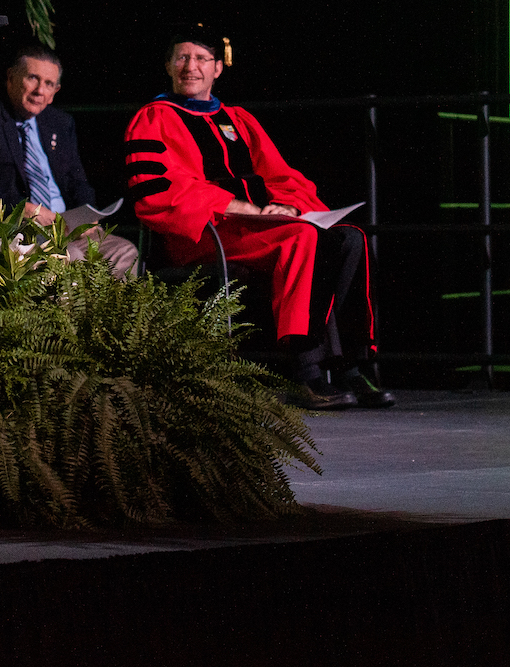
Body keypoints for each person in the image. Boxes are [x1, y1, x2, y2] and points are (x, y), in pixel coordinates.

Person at [123, 26, 393, 409]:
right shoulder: (154, 118)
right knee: (303, 240)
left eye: (201, 59)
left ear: (218, 68)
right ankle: (305, 373)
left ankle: (352, 368)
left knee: (349, 237)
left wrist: (290, 208)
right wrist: (239, 207)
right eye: (182, 57)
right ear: (168, 65)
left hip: (259, 229)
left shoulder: (238, 119)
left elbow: (283, 176)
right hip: (203, 233)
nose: (191, 67)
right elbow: (156, 192)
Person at [0, 46, 140, 278]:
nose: (40, 90)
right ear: (11, 78)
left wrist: (88, 217)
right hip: (25, 230)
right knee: (71, 256)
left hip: (67, 227)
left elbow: (78, 182)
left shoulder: (60, 123)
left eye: (49, 84)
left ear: (55, 91)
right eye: (33, 78)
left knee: (124, 252)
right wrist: (25, 209)